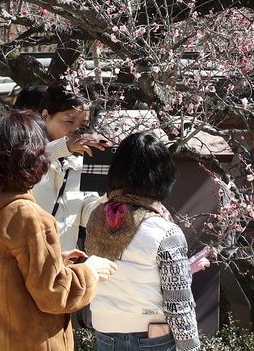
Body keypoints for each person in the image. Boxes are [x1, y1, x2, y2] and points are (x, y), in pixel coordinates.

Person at [0, 111, 114, 351]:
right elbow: (55, 295)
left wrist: (57, 261)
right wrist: (90, 272)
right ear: (31, 157)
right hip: (27, 342)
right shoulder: (26, 216)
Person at [84, 131, 200, 351]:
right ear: (163, 175)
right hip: (152, 337)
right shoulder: (165, 232)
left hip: (104, 333)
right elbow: (179, 303)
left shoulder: (97, 218)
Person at [32, 83, 109, 252]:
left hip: (62, 264)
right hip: (24, 264)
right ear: (45, 116)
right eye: (69, 121)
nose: (75, 130)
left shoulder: (79, 163)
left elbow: (87, 215)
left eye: (82, 126)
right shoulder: (24, 152)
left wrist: (110, 195)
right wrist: (64, 146)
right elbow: (21, 161)